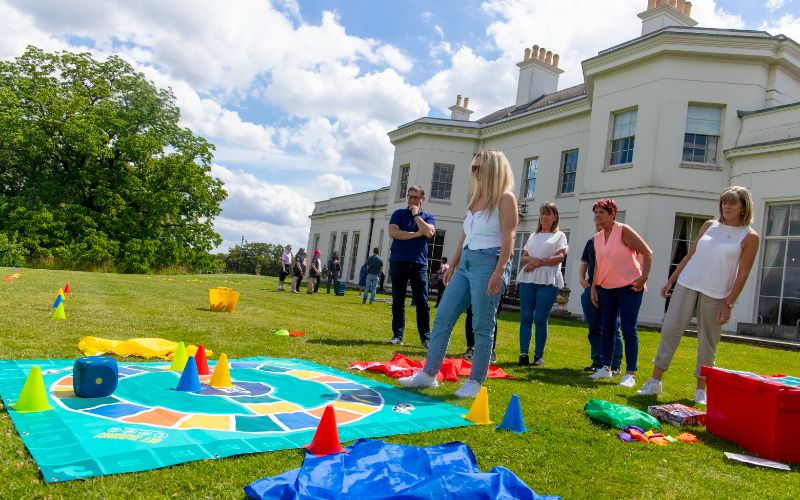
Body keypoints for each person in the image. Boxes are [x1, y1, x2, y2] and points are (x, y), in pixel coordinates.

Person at [399, 149, 517, 399]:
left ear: (493, 169)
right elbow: (465, 235)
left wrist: (499, 272)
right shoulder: (476, 198)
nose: (474, 172)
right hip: (467, 263)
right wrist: (452, 265)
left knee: (482, 325)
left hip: (490, 261)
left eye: (478, 167)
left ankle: (475, 381)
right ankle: (428, 374)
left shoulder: (505, 199)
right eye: (473, 167)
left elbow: (509, 237)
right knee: (443, 316)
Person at [637, 187, 759, 404]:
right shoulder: (709, 226)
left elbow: (743, 274)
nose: (727, 206)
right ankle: (655, 381)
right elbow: (690, 255)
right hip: (687, 284)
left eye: (732, 203)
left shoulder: (749, 236)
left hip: (717, 294)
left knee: (708, 342)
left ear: (743, 207)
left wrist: (729, 303)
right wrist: (670, 280)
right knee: (670, 331)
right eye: (724, 202)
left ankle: (701, 390)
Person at [589, 199, 653, 388]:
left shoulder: (623, 230)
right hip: (606, 289)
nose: (597, 215)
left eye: (602, 211)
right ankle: (606, 368)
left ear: (612, 214)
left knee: (628, 329)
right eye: (596, 212)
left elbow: (648, 253)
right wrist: (594, 287)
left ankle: (630, 374)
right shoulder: (597, 238)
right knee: (607, 328)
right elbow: (598, 265)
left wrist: (644, 278)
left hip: (629, 288)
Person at [517, 202, 568, 367]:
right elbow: (524, 257)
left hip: (547, 280)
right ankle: (523, 353)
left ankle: (538, 356)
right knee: (525, 316)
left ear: (554, 217)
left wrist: (537, 263)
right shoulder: (533, 235)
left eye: (548, 213)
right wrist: (531, 262)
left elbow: (559, 257)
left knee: (540, 318)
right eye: (542, 213)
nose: (544, 217)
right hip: (528, 280)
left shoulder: (559, 236)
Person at [387, 185, 436, 347]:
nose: (412, 200)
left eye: (415, 197)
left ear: (422, 199)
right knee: (398, 300)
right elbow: (394, 233)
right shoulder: (398, 214)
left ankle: (426, 338)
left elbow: (428, 232)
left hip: (419, 264)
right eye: (410, 197)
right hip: (398, 262)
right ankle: (397, 335)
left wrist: (416, 215)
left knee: (422, 302)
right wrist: (416, 234)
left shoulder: (428, 217)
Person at [579, 229, 623, 373]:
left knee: (612, 328)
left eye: (601, 214)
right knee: (594, 328)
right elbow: (584, 262)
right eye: (596, 215)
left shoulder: (619, 242)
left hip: (611, 289)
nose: (598, 220)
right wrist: (581, 278)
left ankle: (614, 364)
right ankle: (597, 362)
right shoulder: (591, 242)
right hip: (591, 288)